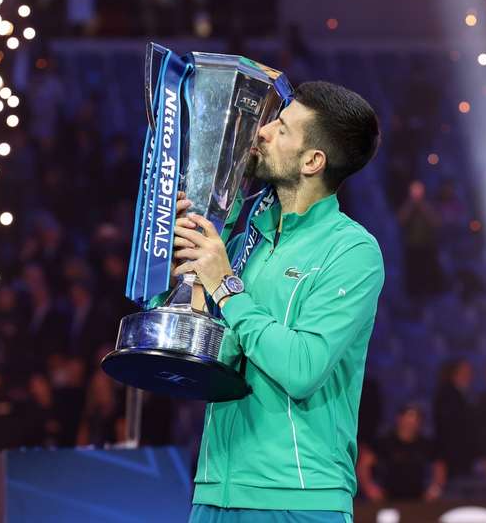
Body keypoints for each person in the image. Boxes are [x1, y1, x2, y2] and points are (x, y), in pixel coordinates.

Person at [172, 81, 384, 522]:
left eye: (282, 128)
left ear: (313, 161)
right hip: (214, 488)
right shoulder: (245, 231)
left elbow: (303, 368)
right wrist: (180, 259)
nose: (263, 132)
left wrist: (226, 286)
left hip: (295, 496)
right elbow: (214, 347)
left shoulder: (352, 251)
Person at [356, 405, 445, 503]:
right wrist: (370, 488)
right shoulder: (383, 443)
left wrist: (435, 489)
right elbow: (364, 465)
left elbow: (439, 466)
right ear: (399, 418)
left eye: (415, 419)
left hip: (419, 499)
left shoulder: (426, 444)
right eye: (408, 418)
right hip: (386, 499)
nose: (411, 423)